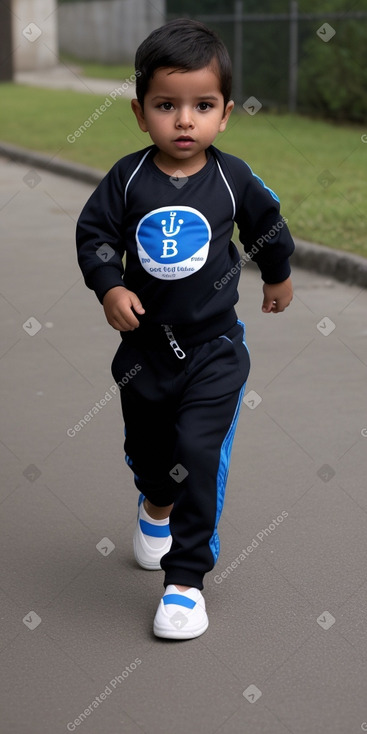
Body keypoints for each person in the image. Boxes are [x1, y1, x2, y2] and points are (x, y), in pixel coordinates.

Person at [76, 18, 294, 640]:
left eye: (202, 106)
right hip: (145, 353)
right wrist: (109, 285)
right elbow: (93, 237)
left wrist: (276, 276)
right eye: (166, 105)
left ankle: (186, 580)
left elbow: (267, 225)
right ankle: (155, 507)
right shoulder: (126, 179)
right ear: (141, 113)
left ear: (224, 113)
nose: (183, 121)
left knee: (198, 453)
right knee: (150, 454)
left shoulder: (232, 177)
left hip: (214, 350)